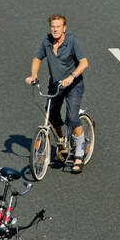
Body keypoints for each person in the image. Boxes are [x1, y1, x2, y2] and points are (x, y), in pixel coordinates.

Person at [26, 15, 90, 171]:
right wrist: (33, 75)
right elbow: (37, 58)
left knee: (72, 117)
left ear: (64, 28)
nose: (55, 29)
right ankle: (61, 143)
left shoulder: (72, 41)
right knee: (52, 115)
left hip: (73, 85)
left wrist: (72, 77)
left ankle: (79, 154)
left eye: (58, 26)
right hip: (55, 86)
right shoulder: (47, 41)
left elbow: (84, 62)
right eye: (53, 26)